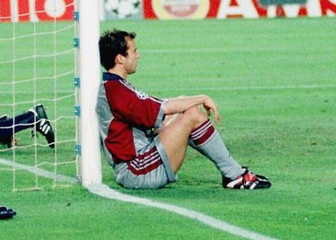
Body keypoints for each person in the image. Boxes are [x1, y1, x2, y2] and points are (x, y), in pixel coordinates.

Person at [96, 29, 272, 190]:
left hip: (138, 161)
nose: (138, 55)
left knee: (184, 106)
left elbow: (159, 109)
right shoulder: (116, 90)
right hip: (137, 171)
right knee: (192, 114)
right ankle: (234, 175)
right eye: (134, 51)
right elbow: (163, 108)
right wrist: (203, 98)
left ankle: (234, 173)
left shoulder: (115, 86)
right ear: (120, 58)